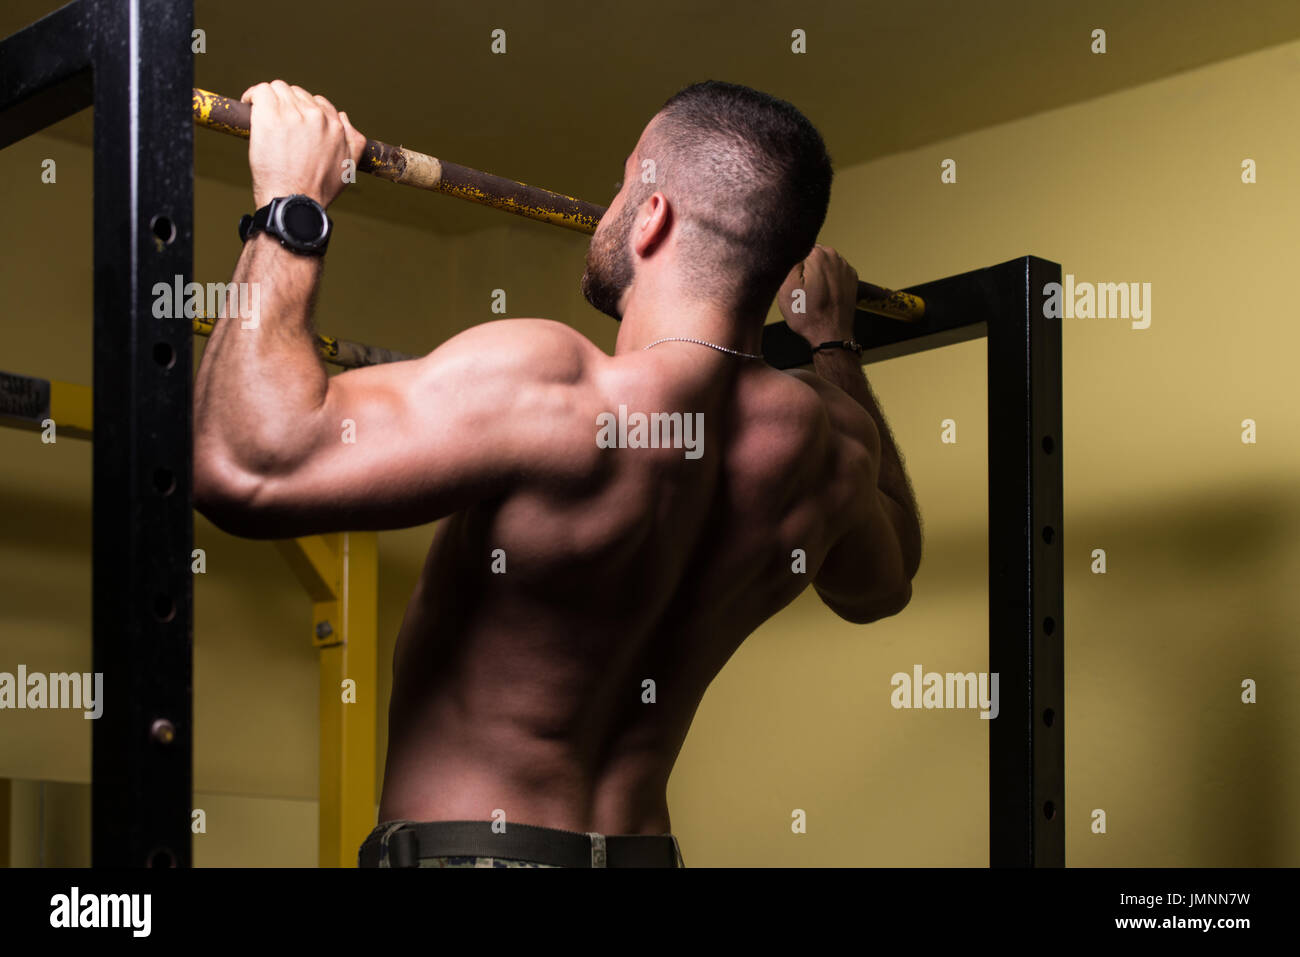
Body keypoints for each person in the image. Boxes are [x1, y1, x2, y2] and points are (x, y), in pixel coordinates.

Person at [193, 78, 923, 868]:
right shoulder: (828, 447)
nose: (608, 207)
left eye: (623, 183)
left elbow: (244, 463)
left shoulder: (560, 387)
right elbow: (882, 586)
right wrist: (834, 346)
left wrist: (291, 205)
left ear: (652, 215)